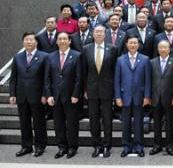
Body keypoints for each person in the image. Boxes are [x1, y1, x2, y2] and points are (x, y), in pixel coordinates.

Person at [10, 32, 48, 157]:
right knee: (24, 122)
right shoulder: (17, 57)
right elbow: (13, 77)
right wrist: (12, 94)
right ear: (23, 42)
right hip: (21, 95)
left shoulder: (44, 56)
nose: (29, 42)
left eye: (31, 40)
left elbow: (46, 78)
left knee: (39, 122)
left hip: (37, 96)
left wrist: (45, 94)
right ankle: (26, 146)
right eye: (26, 40)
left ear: (36, 42)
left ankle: (40, 146)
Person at [82, 25, 118, 158]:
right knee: (94, 119)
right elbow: (83, 71)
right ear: (92, 34)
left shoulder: (113, 48)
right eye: (96, 32)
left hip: (108, 89)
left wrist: (116, 89)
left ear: (105, 34)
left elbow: (115, 71)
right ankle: (97, 145)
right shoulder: (86, 49)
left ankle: (107, 145)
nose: (98, 34)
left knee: (107, 119)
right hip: (91, 90)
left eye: (101, 32)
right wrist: (84, 89)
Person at [46, 32, 81, 159]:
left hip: (71, 96)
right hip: (55, 96)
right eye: (59, 39)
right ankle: (62, 147)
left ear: (69, 41)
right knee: (58, 123)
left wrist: (76, 94)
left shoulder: (77, 56)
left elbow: (79, 78)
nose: (62, 41)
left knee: (72, 123)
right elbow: (47, 78)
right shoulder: (51, 57)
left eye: (64, 39)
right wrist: (48, 95)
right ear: (56, 42)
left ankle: (72, 147)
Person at [114, 36, 151, 158]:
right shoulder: (120, 60)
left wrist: (147, 96)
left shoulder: (145, 59)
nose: (133, 45)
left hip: (139, 97)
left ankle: (139, 146)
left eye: (135, 43)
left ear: (138, 45)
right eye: (131, 43)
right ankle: (126, 146)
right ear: (126, 45)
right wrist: (118, 96)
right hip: (125, 97)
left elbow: (147, 80)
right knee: (125, 123)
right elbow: (117, 80)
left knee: (139, 123)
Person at [149, 40, 173, 156]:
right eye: (161, 47)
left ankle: (169, 145)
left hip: (169, 98)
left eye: (165, 47)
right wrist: (149, 96)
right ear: (158, 49)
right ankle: (157, 145)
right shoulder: (152, 62)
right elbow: (149, 81)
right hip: (155, 98)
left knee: (169, 124)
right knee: (156, 123)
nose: (163, 49)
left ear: (169, 49)